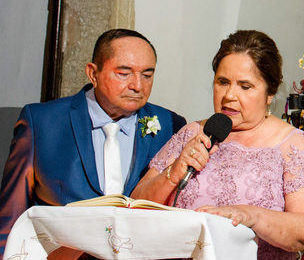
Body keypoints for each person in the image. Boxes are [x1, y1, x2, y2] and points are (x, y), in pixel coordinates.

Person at [131, 30, 304, 260]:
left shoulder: (290, 143)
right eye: (223, 82)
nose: (229, 95)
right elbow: (135, 205)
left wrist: (250, 216)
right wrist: (174, 173)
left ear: (270, 93)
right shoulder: (192, 132)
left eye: (245, 86)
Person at [0, 29, 186, 254]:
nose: (137, 86)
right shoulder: (42, 122)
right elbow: (11, 214)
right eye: (123, 73)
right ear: (93, 73)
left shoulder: (170, 125)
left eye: (147, 75)